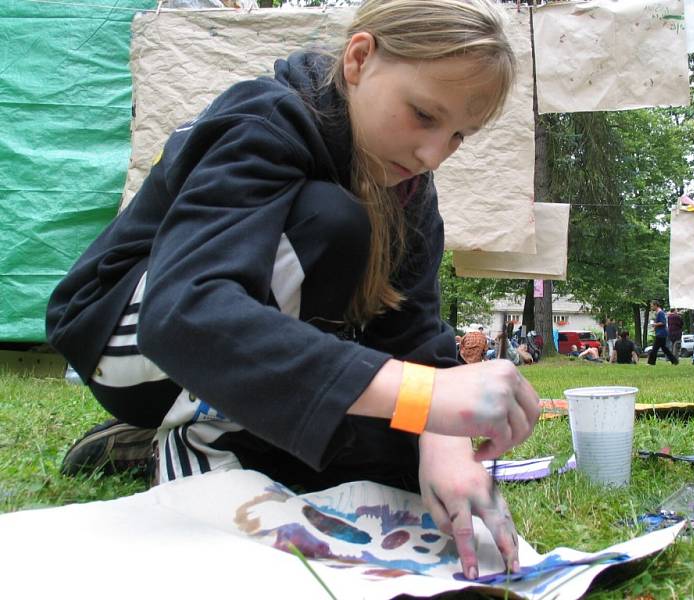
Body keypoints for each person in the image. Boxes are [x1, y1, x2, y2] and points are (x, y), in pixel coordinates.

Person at [45, 0, 539, 581]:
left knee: (395, 460)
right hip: (130, 337)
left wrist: (444, 441)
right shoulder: (262, 119)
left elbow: (413, 333)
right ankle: (195, 445)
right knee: (331, 220)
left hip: (211, 350)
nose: (433, 153)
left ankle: (152, 442)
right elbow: (186, 313)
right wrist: (421, 396)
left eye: (459, 134)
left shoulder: (411, 190)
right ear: (359, 59)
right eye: (423, 115)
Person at [648, 300, 679, 365]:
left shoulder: (660, 313)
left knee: (654, 349)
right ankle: (674, 361)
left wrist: (655, 324)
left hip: (661, 334)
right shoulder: (658, 313)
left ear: (656, 305)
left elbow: (663, 323)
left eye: (652, 306)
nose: (651, 307)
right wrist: (655, 326)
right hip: (660, 333)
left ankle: (651, 363)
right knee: (665, 349)